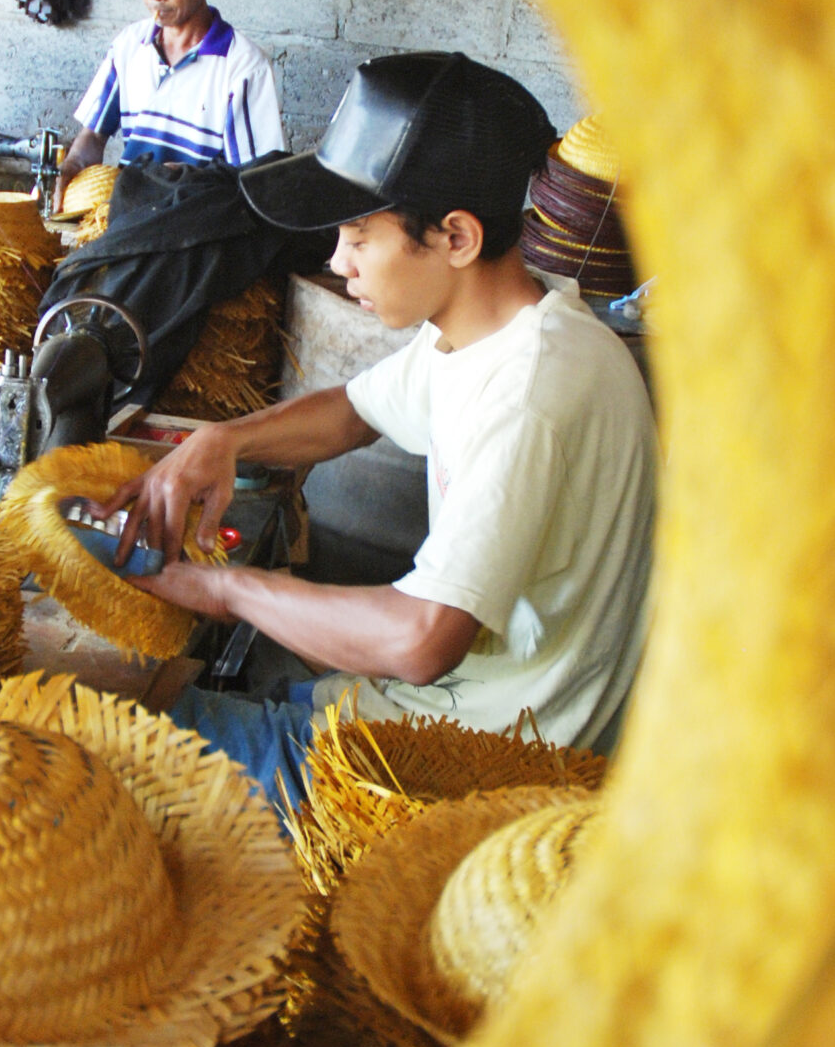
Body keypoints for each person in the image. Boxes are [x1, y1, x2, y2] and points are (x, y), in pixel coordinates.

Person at [99, 52, 658, 811]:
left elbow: (419, 642)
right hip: (438, 717)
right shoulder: (494, 327)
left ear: (455, 237)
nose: (339, 262)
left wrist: (225, 589)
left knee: (103, 735)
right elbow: (355, 410)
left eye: (360, 237)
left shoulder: (533, 390)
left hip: (469, 771)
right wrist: (224, 441)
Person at [57, 0, 285, 189]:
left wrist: (195, 179)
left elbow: (259, 179)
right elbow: (93, 135)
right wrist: (75, 163)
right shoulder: (130, 45)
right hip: (132, 216)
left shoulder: (242, 66)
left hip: (200, 224)